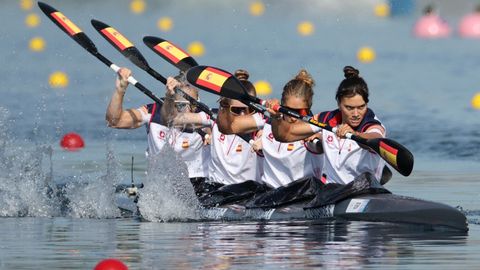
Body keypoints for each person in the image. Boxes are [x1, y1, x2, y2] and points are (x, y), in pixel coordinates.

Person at [271, 66, 386, 185]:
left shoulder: (371, 123)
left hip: (364, 189)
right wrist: (276, 117)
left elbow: (375, 139)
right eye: (349, 108)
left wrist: (356, 134)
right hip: (332, 192)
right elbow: (285, 135)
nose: (356, 114)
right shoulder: (326, 119)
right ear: (339, 104)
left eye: (361, 107)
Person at [164, 69, 265, 201]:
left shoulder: (261, 124)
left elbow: (284, 131)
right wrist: (169, 96)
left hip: (249, 192)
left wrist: (265, 141)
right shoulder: (213, 118)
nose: (242, 115)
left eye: (249, 110)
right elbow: (172, 119)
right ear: (226, 106)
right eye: (237, 110)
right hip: (216, 190)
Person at [106, 67, 210, 195]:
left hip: (197, 185)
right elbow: (114, 121)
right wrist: (120, 89)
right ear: (172, 101)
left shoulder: (205, 117)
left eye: (194, 104)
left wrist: (212, 136)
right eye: (181, 105)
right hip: (158, 185)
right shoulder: (153, 111)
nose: (189, 111)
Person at [217, 69, 324, 189]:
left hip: (304, 194)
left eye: (300, 112)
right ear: (282, 106)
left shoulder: (314, 128)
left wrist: (321, 140)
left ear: (309, 108)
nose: (293, 117)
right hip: (271, 194)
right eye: (288, 110)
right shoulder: (268, 121)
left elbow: (322, 146)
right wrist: (225, 103)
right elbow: (227, 127)